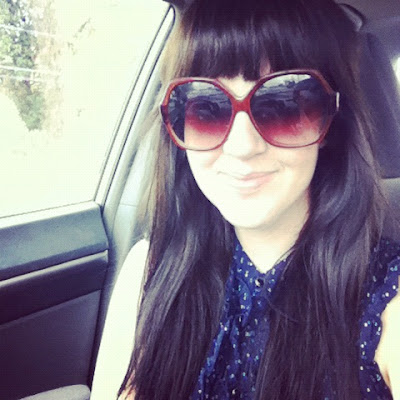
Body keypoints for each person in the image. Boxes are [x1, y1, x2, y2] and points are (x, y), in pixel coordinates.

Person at [91, 0, 400, 399]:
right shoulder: (145, 276)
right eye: (207, 108)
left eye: (284, 106)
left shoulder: (388, 300)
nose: (242, 146)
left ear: (330, 123)